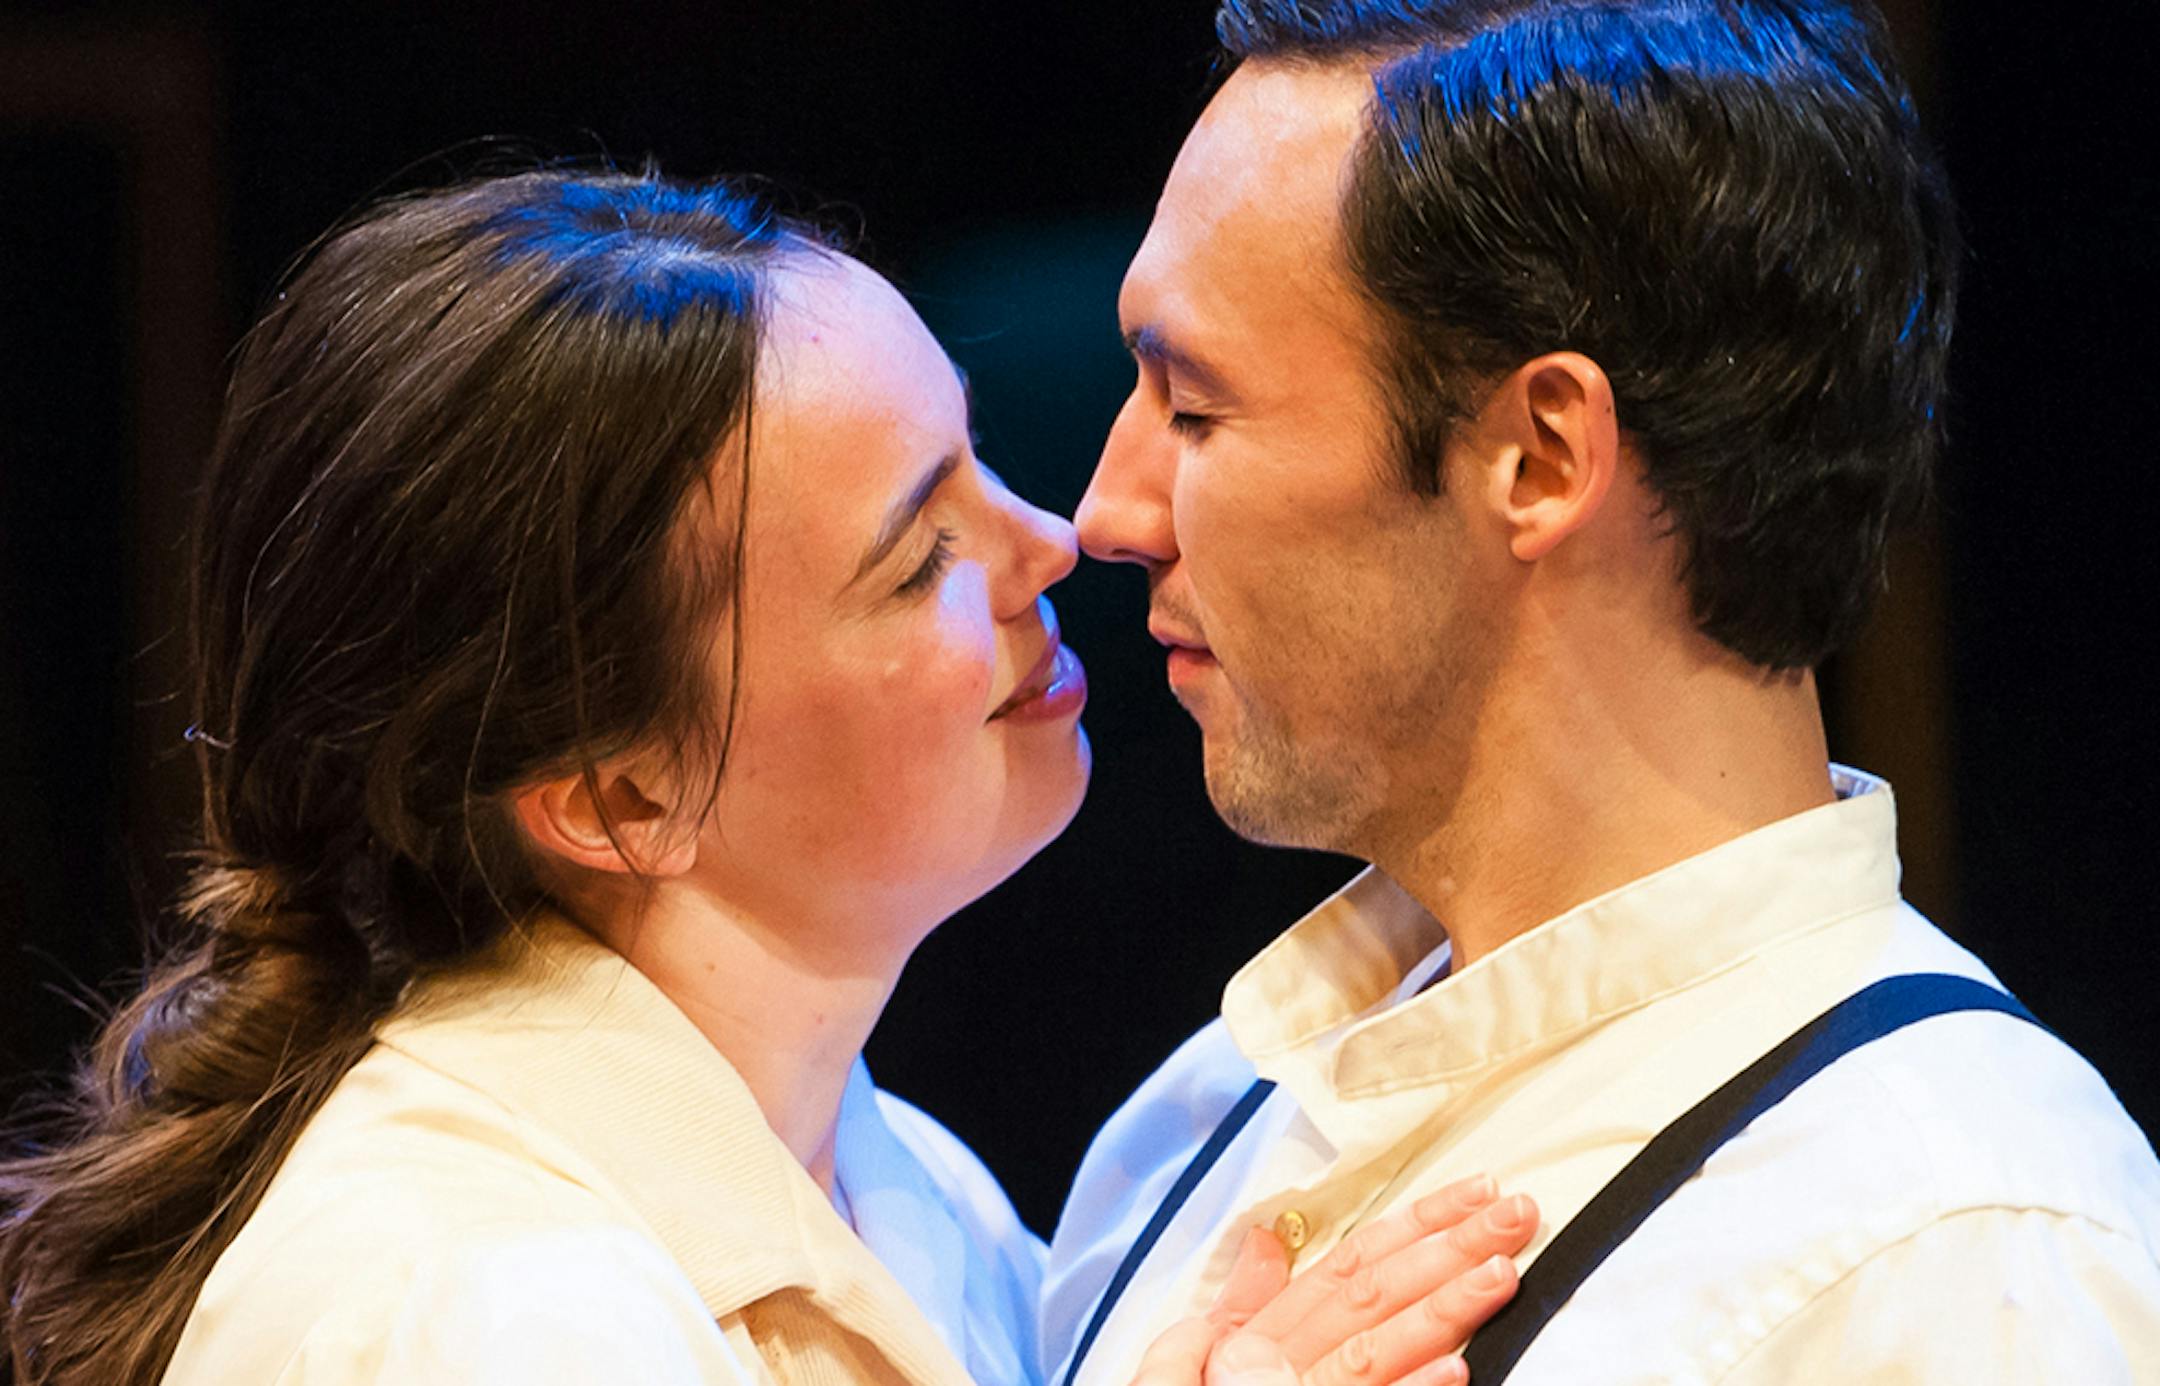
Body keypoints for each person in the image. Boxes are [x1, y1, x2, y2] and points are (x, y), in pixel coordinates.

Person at [0, 170, 1535, 1386]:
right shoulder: (482, 1308)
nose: (1049, 545)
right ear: (619, 798)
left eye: (980, 460)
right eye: (917, 554)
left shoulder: (890, 1174)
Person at [1044, 1, 2160, 1382]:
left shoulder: (1962, 1255)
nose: (1106, 510)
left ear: (1541, 456)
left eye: (1194, 406)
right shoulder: (1194, 1125)